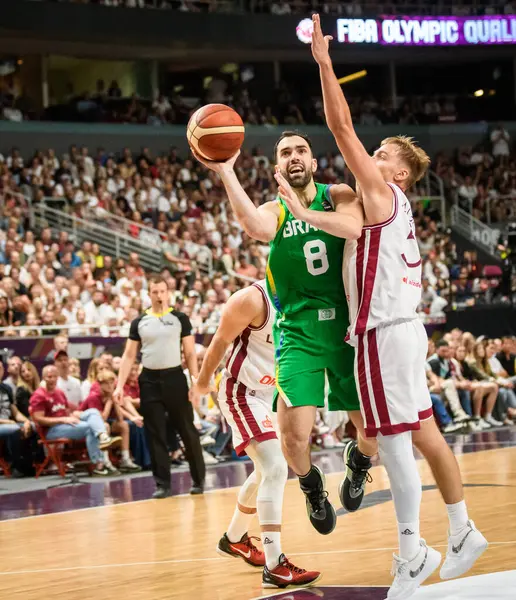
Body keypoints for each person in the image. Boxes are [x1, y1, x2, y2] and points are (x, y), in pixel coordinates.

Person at [287, 14, 487, 599]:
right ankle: (462, 530)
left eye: (379, 154)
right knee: (422, 432)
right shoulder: (388, 204)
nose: (367, 156)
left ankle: (410, 551)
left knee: (393, 439)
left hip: (381, 332)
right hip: (404, 330)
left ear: (396, 171)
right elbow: (339, 192)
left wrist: (324, 63)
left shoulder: (382, 189)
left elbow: (340, 123)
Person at [193, 130, 377, 536]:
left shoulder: (339, 193)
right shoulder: (275, 209)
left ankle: (359, 463)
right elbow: (255, 227)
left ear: (313, 163)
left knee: (371, 433)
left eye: (301, 151)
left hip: (347, 329)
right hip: (297, 333)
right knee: (293, 441)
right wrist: (226, 171)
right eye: (285, 153)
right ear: (278, 168)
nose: (294, 157)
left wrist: (305, 213)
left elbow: (352, 228)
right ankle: (312, 487)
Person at [191, 281, 320, 588]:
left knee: (265, 471)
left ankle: (234, 538)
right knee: (276, 467)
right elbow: (220, 342)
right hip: (240, 391)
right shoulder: (252, 298)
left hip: (267, 392)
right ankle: (275, 565)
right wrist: (202, 381)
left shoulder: (305, 295)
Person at [114, 276, 205, 498]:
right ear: (149, 294)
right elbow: (128, 355)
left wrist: (195, 381)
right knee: (155, 433)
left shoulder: (180, 319)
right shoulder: (139, 322)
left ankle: (198, 479)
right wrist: (119, 385)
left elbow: (190, 353)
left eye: (162, 291)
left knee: (186, 429)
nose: (159, 295)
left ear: (168, 292)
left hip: (174, 378)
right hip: (149, 380)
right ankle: (162, 484)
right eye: (154, 292)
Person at [30, 365, 121, 476]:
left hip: (67, 423)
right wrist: (63, 419)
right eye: (49, 377)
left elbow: (66, 409)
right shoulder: (39, 395)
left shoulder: (59, 392)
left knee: (93, 411)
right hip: (51, 430)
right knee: (89, 428)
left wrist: (73, 415)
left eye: (54, 376)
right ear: (43, 378)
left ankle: (103, 437)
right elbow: (39, 419)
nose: (52, 379)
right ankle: (99, 463)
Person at [80, 369, 141, 474]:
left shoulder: (112, 394)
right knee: (105, 426)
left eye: (111, 382)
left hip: (107, 421)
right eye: (106, 383)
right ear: (100, 385)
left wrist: (115, 401)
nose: (110, 386)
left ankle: (125, 459)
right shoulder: (94, 397)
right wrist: (109, 402)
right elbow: (100, 419)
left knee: (124, 425)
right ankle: (105, 461)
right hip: (89, 425)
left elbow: (120, 418)